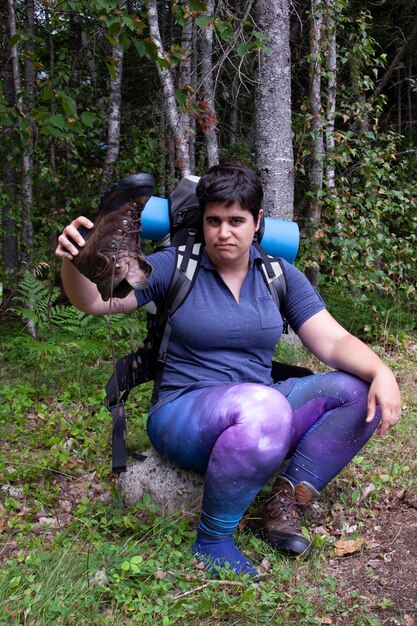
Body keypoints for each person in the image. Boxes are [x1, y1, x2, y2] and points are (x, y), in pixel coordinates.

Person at [55, 161, 401, 579]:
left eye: (236, 220)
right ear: (202, 221)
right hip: (183, 412)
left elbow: (332, 340)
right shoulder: (175, 265)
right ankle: (213, 540)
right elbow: (96, 301)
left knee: (356, 390)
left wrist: (382, 371)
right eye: (213, 220)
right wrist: (76, 263)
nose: (223, 232)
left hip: (260, 407)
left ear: (256, 222)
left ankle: (285, 502)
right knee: (265, 405)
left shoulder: (278, 275)